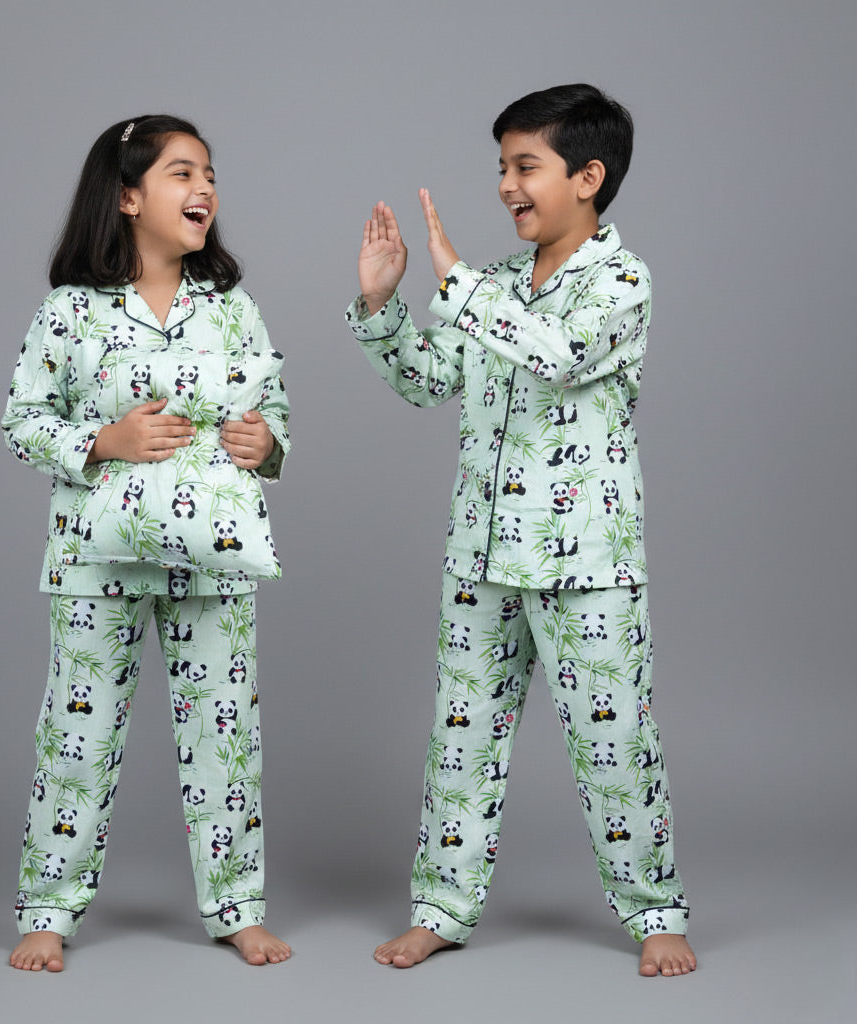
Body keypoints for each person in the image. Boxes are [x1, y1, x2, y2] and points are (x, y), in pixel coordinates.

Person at [345, 84, 696, 978]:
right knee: (460, 746)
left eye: (524, 166)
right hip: (481, 556)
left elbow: (560, 355)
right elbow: (427, 382)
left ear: (588, 177)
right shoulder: (495, 285)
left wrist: (456, 282)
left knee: (616, 745)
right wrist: (382, 305)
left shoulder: (621, 281)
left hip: (587, 562)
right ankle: (440, 909)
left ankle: (655, 912)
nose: (506, 184)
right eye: (501, 166)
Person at [3, 115, 291, 971]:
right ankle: (49, 910)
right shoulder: (69, 311)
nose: (204, 188)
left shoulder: (233, 309)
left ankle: (237, 907)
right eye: (181, 173)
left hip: (213, 557)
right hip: (96, 559)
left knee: (225, 738)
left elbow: (275, 411)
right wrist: (103, 441)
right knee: (78, 737)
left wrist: (267, 444)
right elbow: (22, 422)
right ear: (128, 197)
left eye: (209, 175)